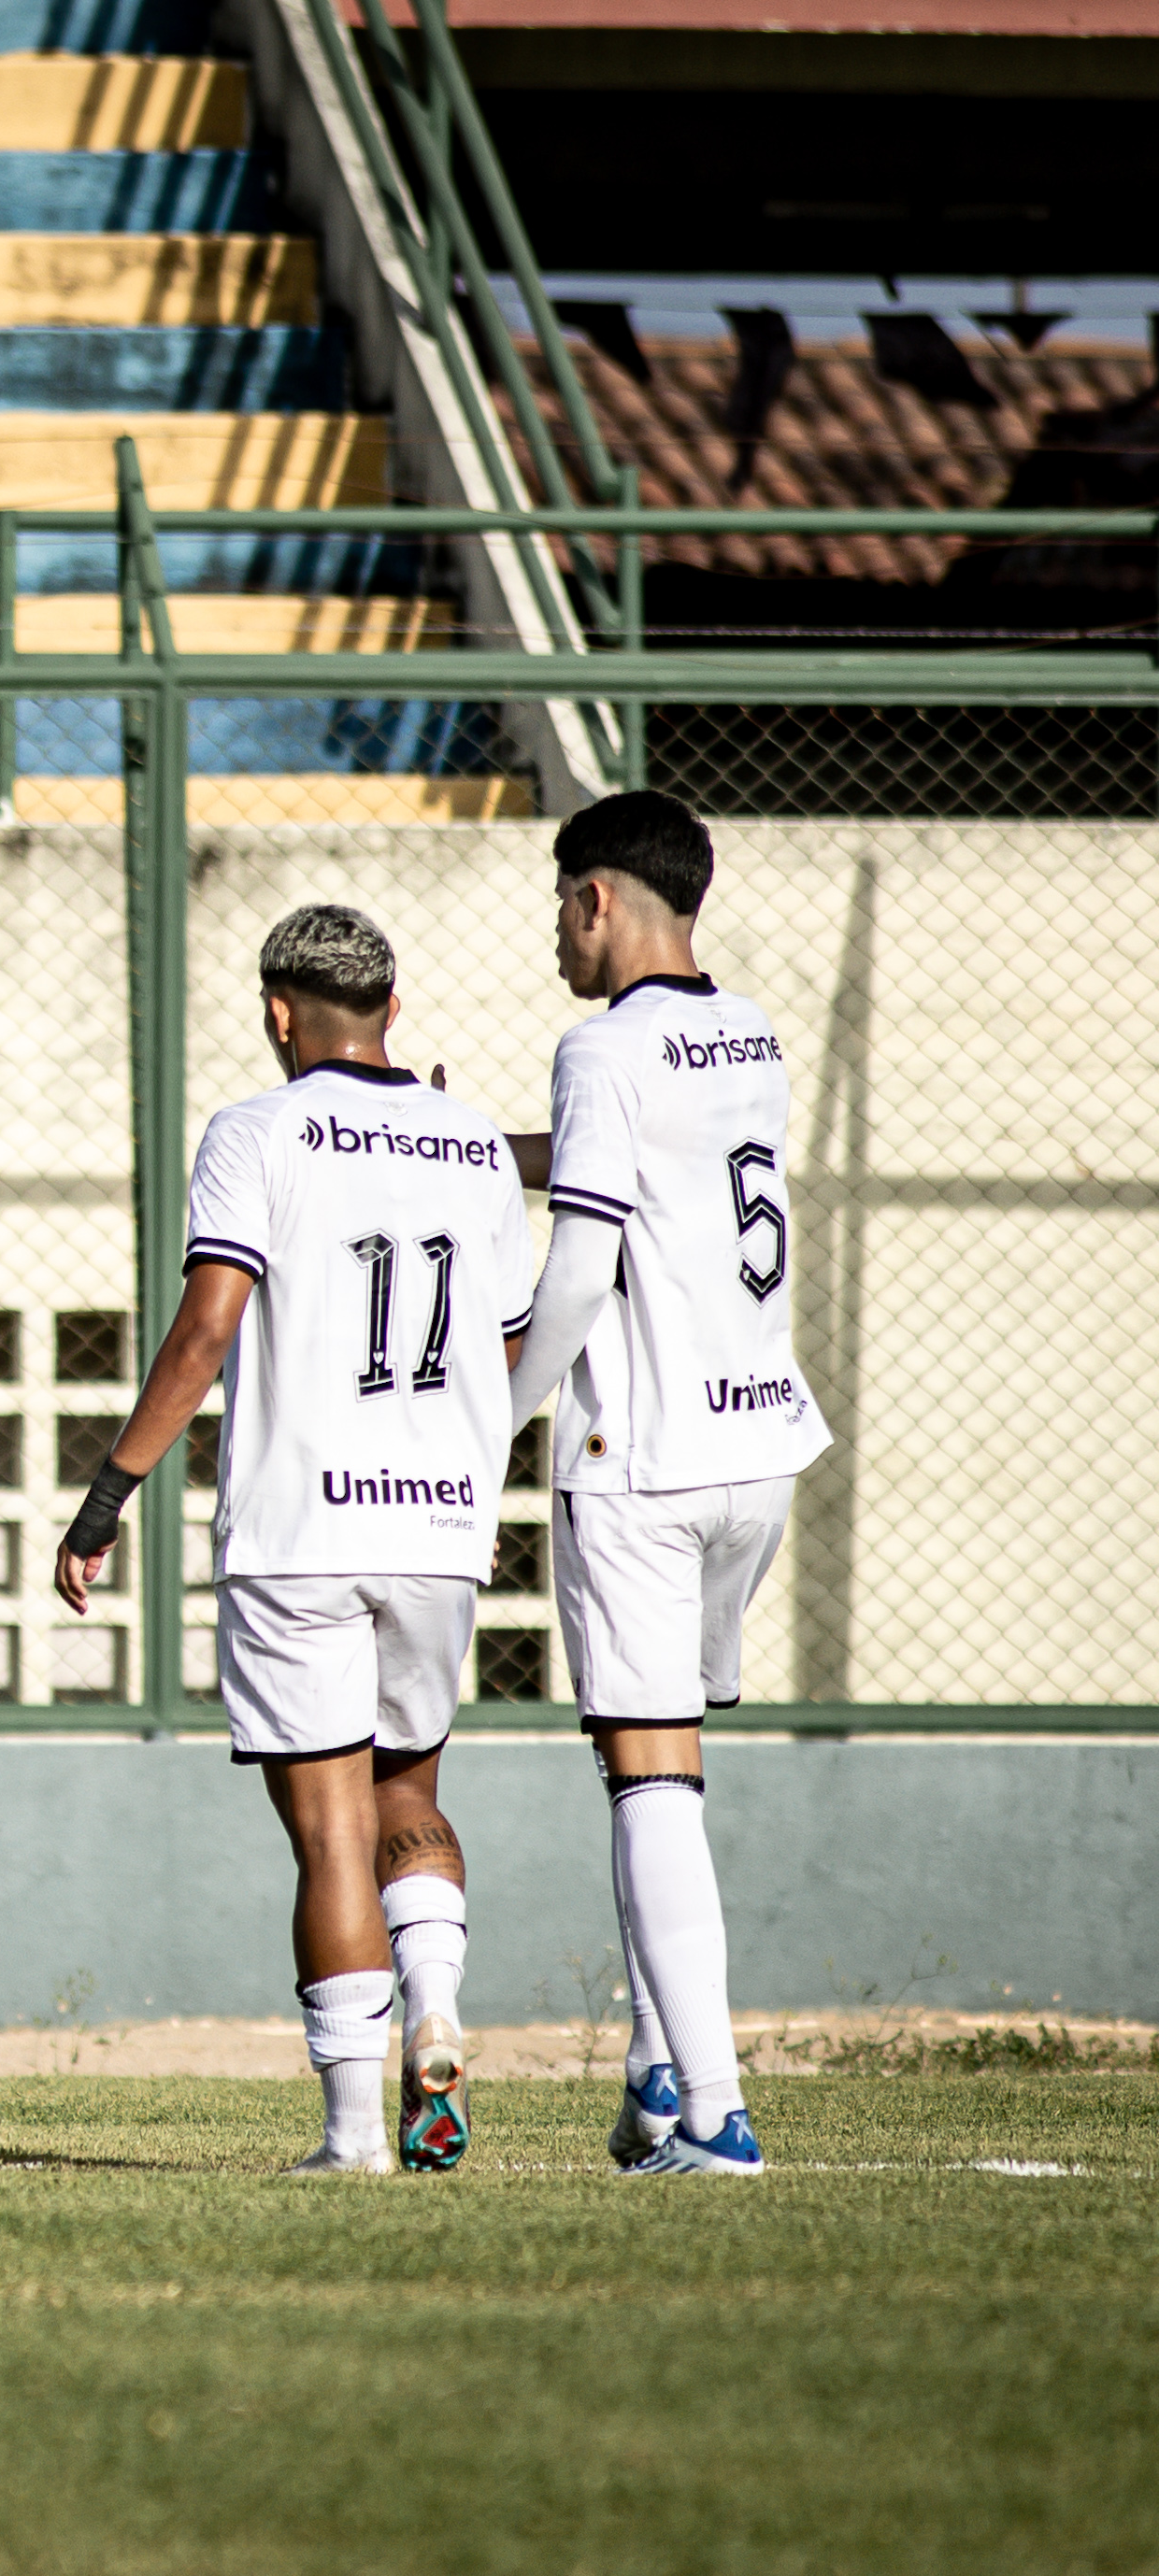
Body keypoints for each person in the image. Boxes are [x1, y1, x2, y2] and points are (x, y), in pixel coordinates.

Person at [57, 906, 528, 2173]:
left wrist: (109, 1491)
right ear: (391, 1002)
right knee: (408, 1796)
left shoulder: (254, 1130)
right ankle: (433, 1997)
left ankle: (350, 2134)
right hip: (436, 1522)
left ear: (278, 1011)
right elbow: (510, 1344)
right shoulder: (473, 1140)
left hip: (300, 1527)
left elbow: (209, 1327)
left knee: (328, 1832)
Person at [499, 793, 827, 2178]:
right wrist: (478, 1149)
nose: (556, 931)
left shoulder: (597, 1045)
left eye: (560, 902)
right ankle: (651, 2074)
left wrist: (489, 1420)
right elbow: (656, 1181)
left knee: (650, 1779)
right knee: (653, 1770)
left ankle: (716, 2112)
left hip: (643, 1458)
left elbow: (579, 1268)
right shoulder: (745, 1028)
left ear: (597, 901)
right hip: (758, 1450)